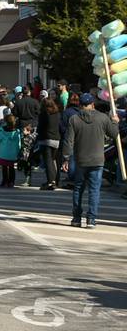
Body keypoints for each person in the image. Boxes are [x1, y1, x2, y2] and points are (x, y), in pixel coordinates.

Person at [62, 93, 119, 229]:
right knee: (94, 190)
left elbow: (68, 141)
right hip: (97, 160)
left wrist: (66, 158)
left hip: (81, 159)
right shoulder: (103, 118)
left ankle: (76, 217)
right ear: (92, 104)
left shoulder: (74, 119)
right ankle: (91, 219)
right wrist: (115, 122)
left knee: (78, 189)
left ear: (80, 105)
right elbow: (114, 134)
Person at [37, 98, 62, 191]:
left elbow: (40, 127)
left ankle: (51, 181)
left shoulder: (43, 115)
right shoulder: (57, 114)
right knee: (54, 160)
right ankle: (56, 179)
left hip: (46, 139)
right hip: (56, 139)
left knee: (48, 162)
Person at [0, 114, 21, 188]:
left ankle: (4, 181)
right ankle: (11, 182)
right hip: (13, 153)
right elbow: (19, 143)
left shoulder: (2, 131)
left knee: (4, 168)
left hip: (3, 153)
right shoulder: (17, 132)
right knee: (11, 167)